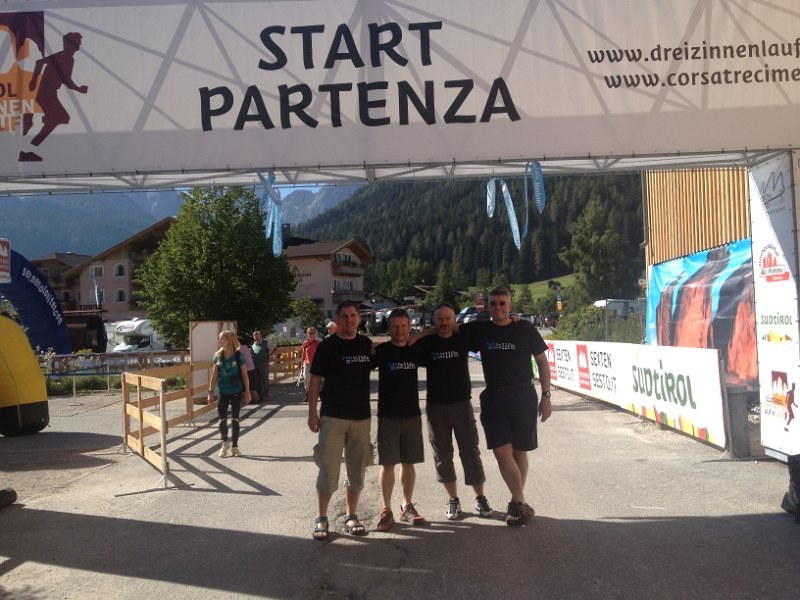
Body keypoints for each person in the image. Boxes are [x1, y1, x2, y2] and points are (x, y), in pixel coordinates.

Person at [460, 287, 551, 526]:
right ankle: (521, 502)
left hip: (524, 395)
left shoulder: (525, 328)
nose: (498, 307)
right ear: (488, 306)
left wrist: (546, 396)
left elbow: (542, 362)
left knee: (520, 451)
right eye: (493, 303)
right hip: (494, 398)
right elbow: (446, 326)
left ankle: (515, 503)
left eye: (502, 303)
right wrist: (417, 335)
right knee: (501, 451)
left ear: (510, 305)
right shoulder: (480, 330)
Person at [415, 303, 493, 521]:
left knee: (470, 451)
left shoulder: (463, 338)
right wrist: (427, 332)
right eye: (440, 319)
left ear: (455, 320)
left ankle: (480, 497)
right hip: (436, 407)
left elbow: (486, 328)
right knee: (442, 455)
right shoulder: (428, 342)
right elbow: (408, 343)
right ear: (434, 321)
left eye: (448, 318)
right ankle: (453, 499)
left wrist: (514, 319)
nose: (444, 323)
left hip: (462, 404)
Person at [307, 301, 374, 541]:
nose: (349, 320)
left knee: (357, 469)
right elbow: (315, 379)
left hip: (361, 418)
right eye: (345, 316)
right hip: (332, 416)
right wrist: (312, 412)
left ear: (359, 318)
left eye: (353, 315)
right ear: (338, 319)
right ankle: (321, 518)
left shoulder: (366, 344)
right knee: (328, 469)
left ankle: (351, 515)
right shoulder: (328, 346)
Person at [374, 309, 426, 531]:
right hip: (388, 415)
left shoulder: (416, 350)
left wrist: (420, 335)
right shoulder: (381, 351)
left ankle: (406, 505)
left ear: (409, 327)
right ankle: (386, 509)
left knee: (409, 462)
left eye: (404, 326)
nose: (400, 330)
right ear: (389, 328)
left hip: (412, 414)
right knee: (387, 464)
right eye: (395, 326)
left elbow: (442, 331)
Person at [19, 32, 88, 162]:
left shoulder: (69, 59)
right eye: (77, 42)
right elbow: (40, 62)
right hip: (46, 93)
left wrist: (78, 88)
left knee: (57, 118)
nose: (79, 45)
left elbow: (66, 80)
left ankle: (31, 145)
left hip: (50, 93)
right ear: (69, 44)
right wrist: (33, 80)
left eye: (79, 43)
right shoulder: (62, 57)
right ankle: (30, 146)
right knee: (60, 117)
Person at [207, 330, 250, 457]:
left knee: (235, 419)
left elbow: (245, 375)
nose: (219, 341)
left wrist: (247, 392)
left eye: (222, 339)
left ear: (229, 341)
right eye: (219, 339)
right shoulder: (218, 356)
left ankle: (235, 447)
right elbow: (214, 376)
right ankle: (225, 443)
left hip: (236, 391)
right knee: (222, 419)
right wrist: (210, 392)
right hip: (223, 391)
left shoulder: (238, 356)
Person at [251, 330, 275, 402]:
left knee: (264, 379)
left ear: (260, 336)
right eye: (255, 336)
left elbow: (274, 347)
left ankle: (265, 395)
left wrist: (268, 354)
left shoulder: (265, 342)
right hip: (255, 363)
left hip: (263, 363)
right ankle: (259, 395)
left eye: (257, 335)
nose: (256, 337)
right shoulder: (254, 344)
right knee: (257, 380)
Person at [237, 336, 258, 404]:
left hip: (247, 368)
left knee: (249, 386)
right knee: (251, 385)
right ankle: (253, 399)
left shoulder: (239, 348)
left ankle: (255, 399)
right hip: (251, 367)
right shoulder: (245, 347)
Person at [301, 327, 320, 392]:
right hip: (307, 363)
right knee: (306, 378)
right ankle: (307, 392)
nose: (311, 334)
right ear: (307, 334)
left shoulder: (317, 343)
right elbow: (303, 353)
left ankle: (314, 392)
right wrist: (302, 364)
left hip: (315, 363)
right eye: (309, 333)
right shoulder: (305, 343)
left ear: (315, 334)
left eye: (312, 333)